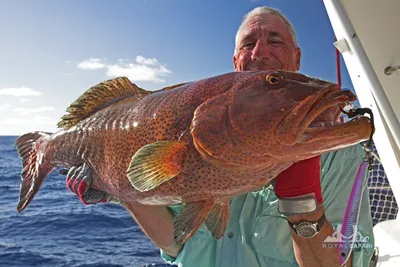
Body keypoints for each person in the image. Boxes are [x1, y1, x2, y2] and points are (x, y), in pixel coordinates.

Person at [63, 6, 375, 267]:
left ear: (297, 58)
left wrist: (301, 202)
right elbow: (177, 243)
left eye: (275, 41)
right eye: (248, 43)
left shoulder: (341, 155)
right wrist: (122, 193)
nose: (260, 52)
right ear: (236, 62)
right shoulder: (191, 122)